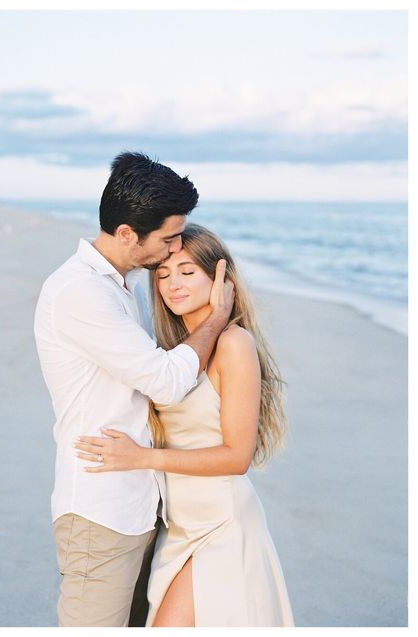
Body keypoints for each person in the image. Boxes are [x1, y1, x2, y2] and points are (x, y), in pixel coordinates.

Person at [34, 153, 234, 627]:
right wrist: (216, 321)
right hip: (100, 512)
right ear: (127, 233)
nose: (172, 251)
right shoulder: (82, 292)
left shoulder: (118, 287)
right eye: (167, 240)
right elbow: (164, 382)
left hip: (138, 505)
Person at [74, 223, 295, 627]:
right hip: (178, 527)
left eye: (188, 272)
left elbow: (237, 457)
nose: (173, 284)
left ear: (220, 279)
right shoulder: (173, 356)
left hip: (221, 523)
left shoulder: (233, 343)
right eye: (163, 275)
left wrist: (141, 458)